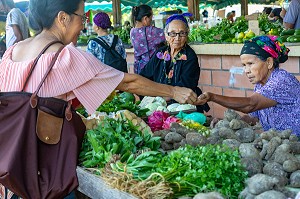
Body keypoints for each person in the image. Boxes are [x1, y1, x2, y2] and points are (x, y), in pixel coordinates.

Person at [0, 0, 199, 198]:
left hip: (11, 164)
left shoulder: (11, 52)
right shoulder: (65, 56)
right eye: (82, 17)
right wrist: (173, 92)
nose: (84, 25)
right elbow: (127, 83)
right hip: (44, 169)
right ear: (63, 18)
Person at [195, 35, 300, 136]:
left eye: (250, 64)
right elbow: (254, 118)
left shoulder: (281, 80)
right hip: (278, 142)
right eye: (244, 65)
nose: (246, 70)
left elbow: (251, 105)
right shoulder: (261, 84)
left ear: (269, 62)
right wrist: (229, 123)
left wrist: (212, 97)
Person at [140, 13, 210, 113]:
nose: (177, 38)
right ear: (166, 35)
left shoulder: (189, 57)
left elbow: (184, 89)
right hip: (158, 105)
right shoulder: (160, 53)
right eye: (172, 33)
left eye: (182, 33)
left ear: (187, 34)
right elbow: (144, 77)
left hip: (182, 109)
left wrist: (158, 97)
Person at [130, 4, 166, 74]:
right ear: (145, 19)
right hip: (151, 68)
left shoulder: (132, 31)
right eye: (151, 18)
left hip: (138, 68)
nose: (151, 20)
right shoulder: (152, 31)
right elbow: (170, 34)